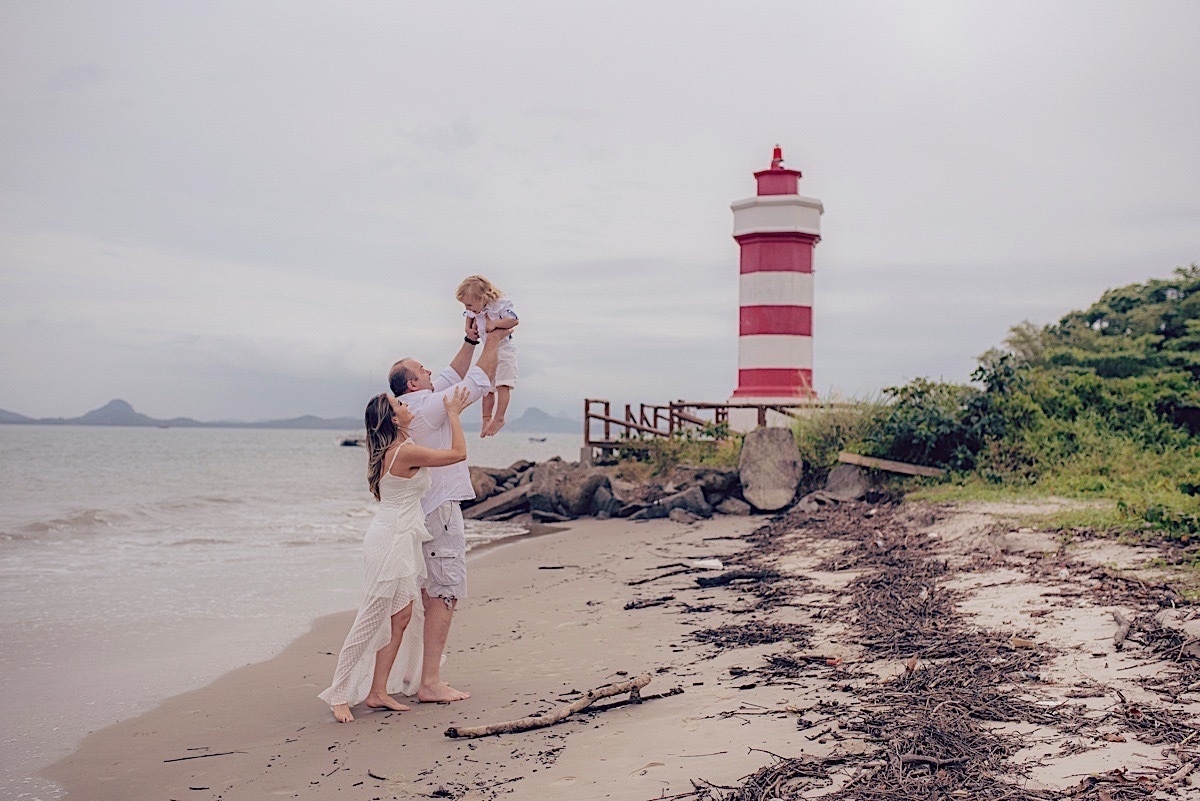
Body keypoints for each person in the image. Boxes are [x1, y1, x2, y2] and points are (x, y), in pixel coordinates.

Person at [318, 387, 473, 722]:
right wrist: (454, 414)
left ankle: (377, 692)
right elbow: (459, 453)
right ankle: (339, 695)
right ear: (392, 418)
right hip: (390, 542)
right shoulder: (404, 452)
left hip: (399, 539)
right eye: (400, 404)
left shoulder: (400, 448)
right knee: (371, 618)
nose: (406, 405)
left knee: (401, 618)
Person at [387, 328, 504, 703]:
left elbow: (454, 376)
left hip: (427, 512)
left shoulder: (421, 404)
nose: (430, 370)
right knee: (443, 594)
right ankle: (430, 683)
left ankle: (422, 678)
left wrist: (470, 341)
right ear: (412, 383)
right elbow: (477, 382)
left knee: (432, 593)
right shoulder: (427, 407)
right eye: (423, 369)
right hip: (439, 512)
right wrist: (494, 338)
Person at [454, 275, 519, 437]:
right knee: (487, 388)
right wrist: (468, 330)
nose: (467, 308)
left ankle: (499, 417)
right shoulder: (474, 309)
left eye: (469, 304)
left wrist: (495, 324)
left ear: (482, 297)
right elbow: (469, 318)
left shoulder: (500, 305)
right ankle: (486, 418)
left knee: (502, 385)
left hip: (504, 351)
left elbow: (514, 320)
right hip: (488, 351)